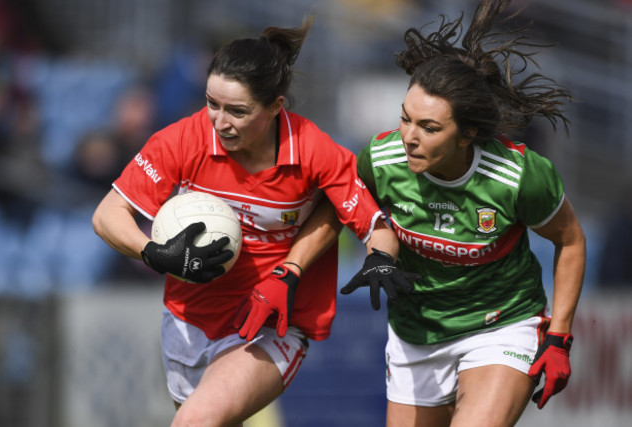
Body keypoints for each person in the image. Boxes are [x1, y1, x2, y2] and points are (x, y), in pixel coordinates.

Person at [92, 17, 414, 427]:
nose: (220, 122)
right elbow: (106, 215)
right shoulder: (182, 140)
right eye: (212, 103)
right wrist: (156, 253)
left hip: (271, 325)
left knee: (195, 422)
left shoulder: (314, 150)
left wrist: (379, 259)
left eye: (238, 111)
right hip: (187, 320)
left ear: (276, 106)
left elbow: (373, 226)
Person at [340, 1, 586, 426]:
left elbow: (571, 241)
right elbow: (354, 212)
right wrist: (377, 252)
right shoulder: (380, 160)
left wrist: (559, 337)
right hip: (416, 332)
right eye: (405, 119)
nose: (409, 138)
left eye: (429, 128)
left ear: (467, 134)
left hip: (501, 325)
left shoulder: (517, 176)